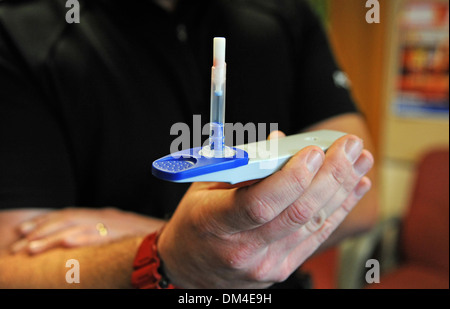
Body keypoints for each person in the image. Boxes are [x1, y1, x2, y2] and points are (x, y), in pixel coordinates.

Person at [0, 0, 378, 288]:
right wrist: (166, 253)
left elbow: (362, 197)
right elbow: (15, 258)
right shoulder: (26, 32)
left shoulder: (285, 15)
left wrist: (148, 232)